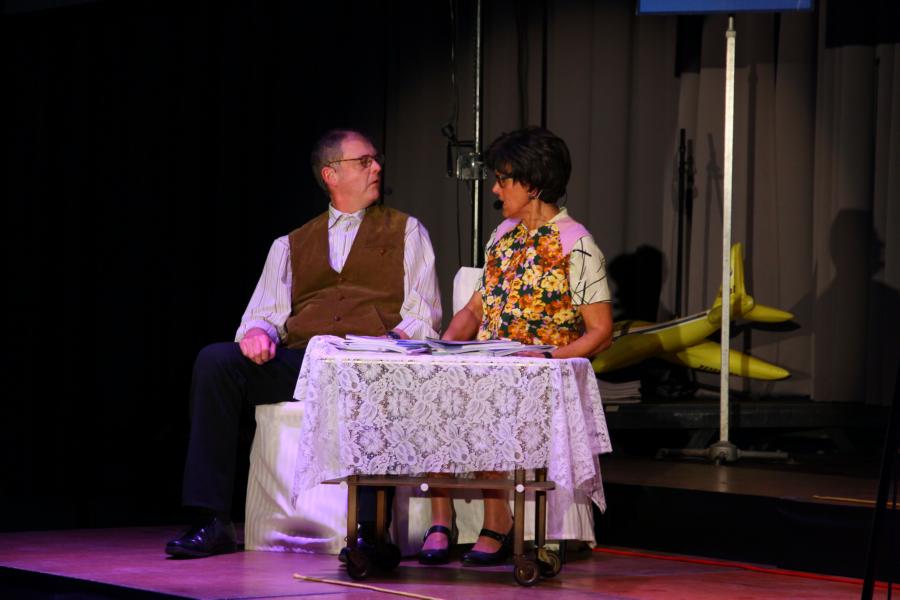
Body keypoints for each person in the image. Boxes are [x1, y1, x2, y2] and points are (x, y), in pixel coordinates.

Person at [165, 129, 442, 558]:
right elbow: (263, 314)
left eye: (376, 160)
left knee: (373, 378)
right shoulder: (290, 243)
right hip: (304, 362)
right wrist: (257, 333)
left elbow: (423, 316)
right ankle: (211, 520)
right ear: (331, 174)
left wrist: (388, 343)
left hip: (365, 361)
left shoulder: (407, 231)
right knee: (216, 361)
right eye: (364, 161)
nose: (377, 168)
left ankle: (369, 533)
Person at [419, 126, 613, 566]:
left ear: (534, 184)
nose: (495, 188)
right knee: (433, 391)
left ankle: (497, 520)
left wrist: (548, 357)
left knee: (488, 398)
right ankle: (440, 516)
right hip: (491, 362)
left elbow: (600, 331)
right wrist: (443, 350)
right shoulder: (503, 236)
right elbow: (475, 309)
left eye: (503, 179)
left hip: (539, 373)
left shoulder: (577, 245)